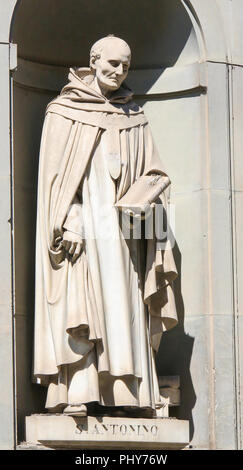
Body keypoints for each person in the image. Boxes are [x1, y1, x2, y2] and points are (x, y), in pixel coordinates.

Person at [34, 35, 178, 417]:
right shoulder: (63, 112)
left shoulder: (135, 116)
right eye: (112, 63)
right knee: (83, 304)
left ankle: (127, 395)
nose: (119, 72)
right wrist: (70, 218)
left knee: (125, 306)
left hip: (126, 236)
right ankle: (78, 391)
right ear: (93, 61)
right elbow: (54, 185)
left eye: (126, 66)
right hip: (82, 235)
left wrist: (150, 197)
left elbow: (156, 173)